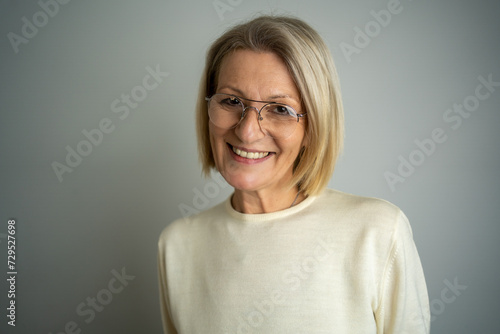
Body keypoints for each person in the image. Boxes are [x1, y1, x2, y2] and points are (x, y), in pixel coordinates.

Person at [158, 14, 430, 334]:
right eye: (231, 101)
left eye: (280, 109)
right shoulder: (177, 244)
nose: (247, 131)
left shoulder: (378, 232)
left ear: (314, 126)